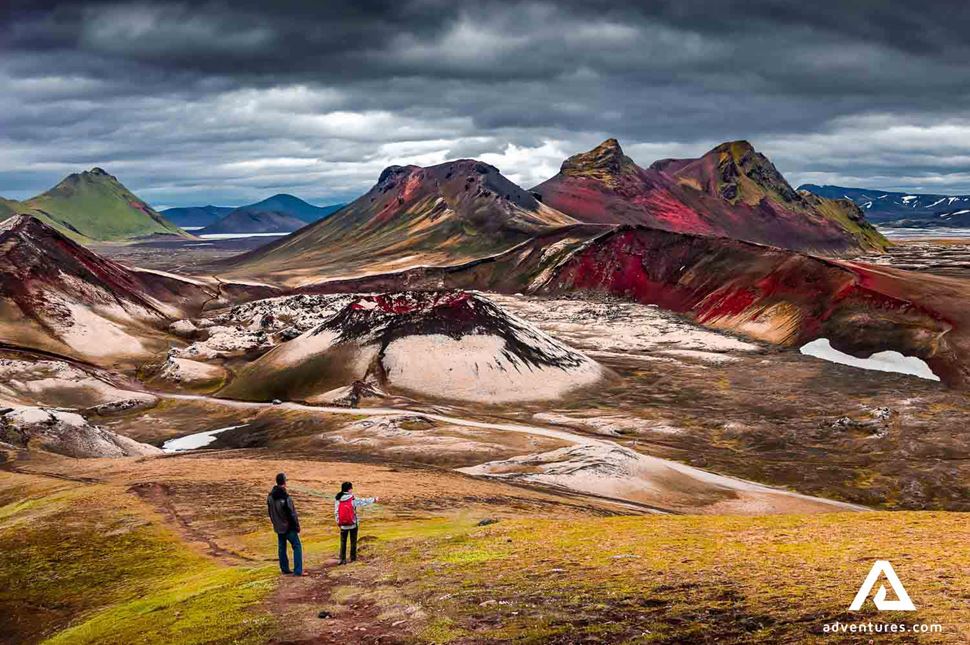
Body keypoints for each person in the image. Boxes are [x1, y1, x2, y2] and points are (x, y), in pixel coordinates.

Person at [267, 472, 304, 576]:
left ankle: (284, 568)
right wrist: (296, 526)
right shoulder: (286, 498)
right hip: (288, 527)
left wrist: (275, 523)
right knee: (297, 546)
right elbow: (292, 514)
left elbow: (270, 512)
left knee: (282, 547)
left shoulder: (270, 497)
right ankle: (298, 570)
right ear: (284, 482)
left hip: (278, 526)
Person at [334, 481, 379, 564]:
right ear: (349, 489)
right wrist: (374, 499)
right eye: (351, 488)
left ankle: (342, 560)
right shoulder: (352, 498)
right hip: (353, 524)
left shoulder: (338, 498)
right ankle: (353, 558)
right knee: (353, 541)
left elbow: (336, 512)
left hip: (343, 525)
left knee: (343, 542)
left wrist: (338, 522)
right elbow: (363, 502)